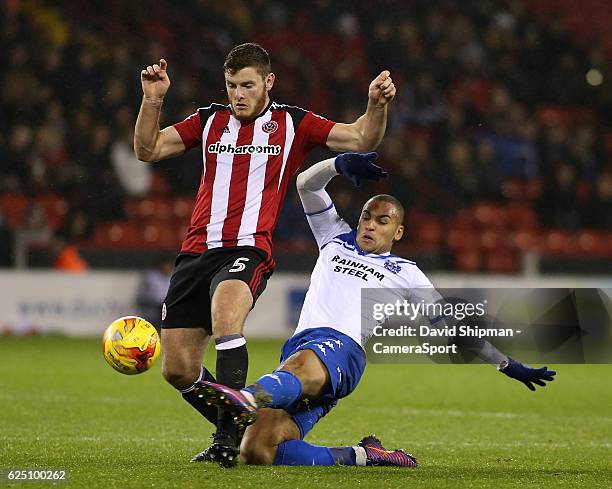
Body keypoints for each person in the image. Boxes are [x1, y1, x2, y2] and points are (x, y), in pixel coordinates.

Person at [195, 152, 557, 467]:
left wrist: (506, 364)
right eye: (367, 216)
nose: (369, 224)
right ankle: (366, 455)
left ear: (398, 232)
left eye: (382, 221)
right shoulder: (333, 238)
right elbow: (306, 184)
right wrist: (336, 164)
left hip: (341, 351)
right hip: (302, 352)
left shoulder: (407, 273)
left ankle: (247, 398)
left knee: (300, 366)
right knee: (257, 449)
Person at [133, 43, 396, 466]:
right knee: (178, 368)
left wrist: (375, 104)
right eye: (232, 85)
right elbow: (147, 150)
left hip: (248, 248)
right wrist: (153, 100)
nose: (238, 94)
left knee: (226, 317)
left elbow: (362, 135)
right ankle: (240, 426)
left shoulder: (293, 124)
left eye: (248, 85)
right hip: (196, 253)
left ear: (268, 82)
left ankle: (224, 442)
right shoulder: (208, 121)